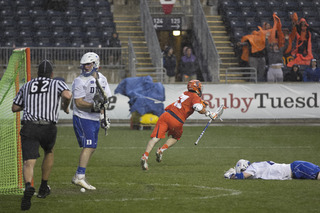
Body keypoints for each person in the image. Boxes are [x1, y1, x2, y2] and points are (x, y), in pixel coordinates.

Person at [12, 60, 72, 210]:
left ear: (37, 73)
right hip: (48, 127)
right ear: (51, 74)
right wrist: (65, 107)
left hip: (30, 126)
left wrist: (31, 104)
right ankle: (43, 186)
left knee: (28, 161)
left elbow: (15, 107)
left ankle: (28, 186)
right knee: (48, 152)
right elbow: (68, 95)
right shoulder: (56, 83)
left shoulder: (27, 85)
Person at [140, 80, 222, 170]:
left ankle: (145, 156)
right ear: (197, 88)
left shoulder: (185, 93)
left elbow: (192, 103)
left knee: (155, 138)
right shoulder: (195, 97)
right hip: (176, 120)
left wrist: (202, 105)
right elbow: (196, 107)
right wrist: (209, 113)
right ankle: (161, 150)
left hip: (166, 115)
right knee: (176, 137)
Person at [71, 52, 112, 190]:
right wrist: (93, 106)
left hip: (94, 118)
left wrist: (102, 116)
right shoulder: (79, 80)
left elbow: (104, 100)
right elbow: (78, 103)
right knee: (88, 145)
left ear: (96, 64)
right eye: (84, 65)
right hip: (83, 117)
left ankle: (79, 175)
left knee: (92, 147)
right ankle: (79, 176)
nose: (86, 67)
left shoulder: (103, 79)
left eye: (88, 64)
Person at [224, 159, 320, 180]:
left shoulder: (253, 167)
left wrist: (229, 176)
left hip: (297, 168)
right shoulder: (257, 165)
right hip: (295, 169)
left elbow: (242, 176)